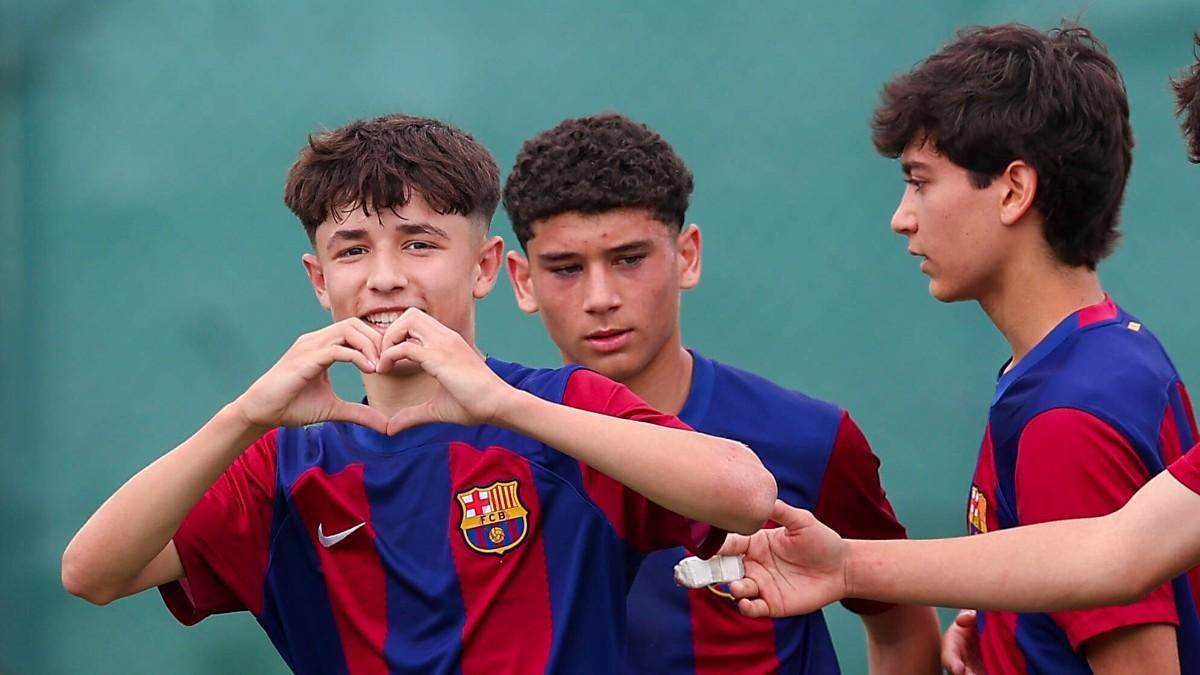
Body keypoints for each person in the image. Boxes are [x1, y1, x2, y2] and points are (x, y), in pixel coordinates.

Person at [60, 113, 778, 674]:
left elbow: (745, 491)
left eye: (419, 243)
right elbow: (91, 572)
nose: (385, 277)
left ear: (487, 265)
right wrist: (243, 415)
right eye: (352, 250)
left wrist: (504, 404)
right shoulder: (284, 463)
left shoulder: (559, 414)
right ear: (318, 279)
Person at [721, 28, 1200, 652]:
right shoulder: (1099, 356)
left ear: (1013, 190)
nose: (902, 216)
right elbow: (1114, 554)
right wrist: (1009, 632)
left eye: (920, 181)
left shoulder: (1069, 413)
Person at [502, 112, 940, 674]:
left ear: (687, 255)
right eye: (565, 268)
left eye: (629, 259)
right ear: (521, 280)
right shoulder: (483, 460)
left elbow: (901, 628)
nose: (601, 296)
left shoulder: (808, 439)